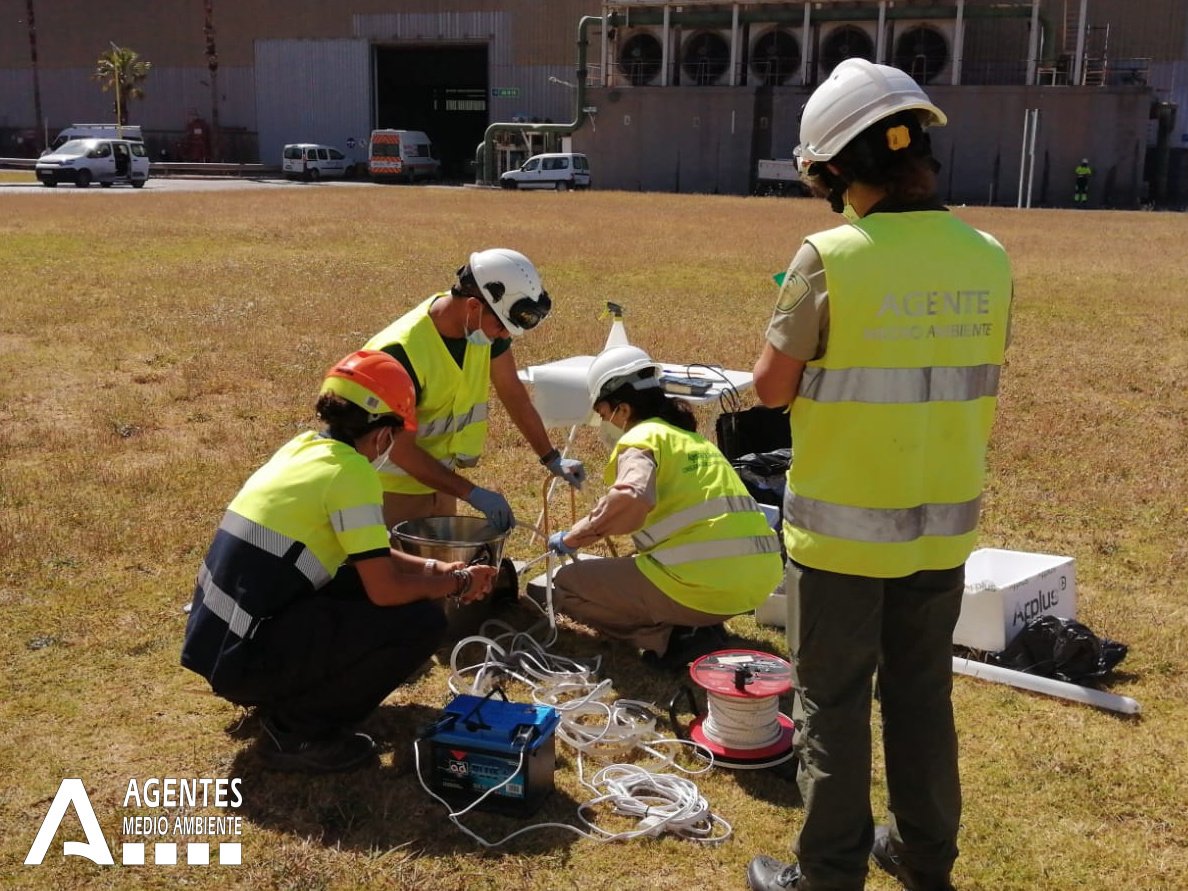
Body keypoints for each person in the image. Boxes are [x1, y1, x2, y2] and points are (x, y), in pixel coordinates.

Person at [744, 59, 1012, 891]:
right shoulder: (988, 256)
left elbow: (770, 387)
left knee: (832, 701)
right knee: (922, 694)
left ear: (834, 170)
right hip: (941, 527)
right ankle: (925, 857)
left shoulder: (829, 257)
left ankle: (827, 874)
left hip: (841, 534)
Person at [181, 350, 497, 773]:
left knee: (355, 585)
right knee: (421, 623)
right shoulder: (354, 475)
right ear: (384, 433)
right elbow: (384, 589)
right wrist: (455, 585)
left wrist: (436, 570)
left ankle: (284, 698)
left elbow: (365, 554)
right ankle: (297, 731)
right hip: (245, 660)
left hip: (216, 643)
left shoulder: (304, 449)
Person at [546, 345, 783, 668]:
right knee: (635, 564)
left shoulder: (641, 438)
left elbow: (631, 497)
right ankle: (698, 621)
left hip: (704, 585)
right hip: (759, 580)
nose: (604, 425)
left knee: (566, 584)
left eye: (603, 415)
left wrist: (573, 538)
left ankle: (671, 637)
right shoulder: (692, 441)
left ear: (623, 409)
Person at [363, 248, 584, 531]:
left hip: (441, 481)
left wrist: (552, 458)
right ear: (473, 306)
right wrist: (472, 493)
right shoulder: (399, 353)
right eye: (501, 326)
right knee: (401, 571)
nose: (503, 335)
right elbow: (400, 451)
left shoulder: (481, 331)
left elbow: (512, 392)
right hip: (389, 488)